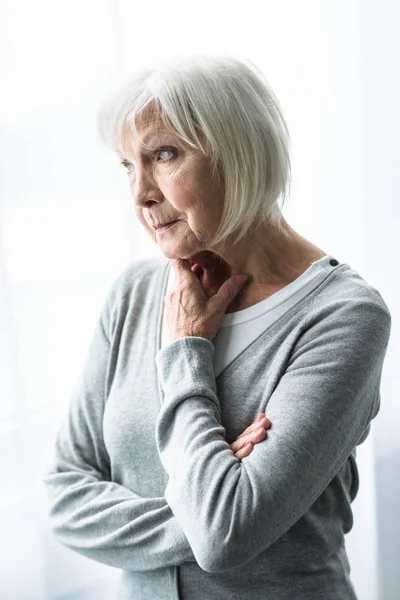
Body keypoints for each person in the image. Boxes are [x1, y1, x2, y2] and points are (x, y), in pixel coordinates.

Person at [43, 55, 391, 600]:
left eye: (163, 154)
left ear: (239, 150)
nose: (140, 195)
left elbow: (226, 536)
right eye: (128, 166)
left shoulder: (344, 316)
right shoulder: (134, 294)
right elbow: (64, 497)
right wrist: (212, 506)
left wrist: (185, 349)